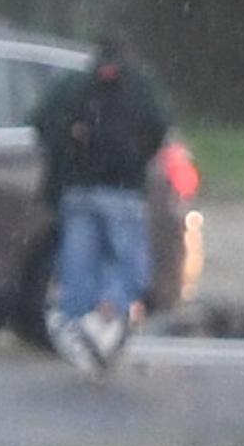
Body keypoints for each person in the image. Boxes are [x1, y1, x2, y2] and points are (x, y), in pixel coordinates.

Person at [27, 35, 171, 373]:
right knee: (128, 264)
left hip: (78, 191)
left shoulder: (75, 86)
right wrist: (136, 160)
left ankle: (79, 325)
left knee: (77, 264)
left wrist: (68, 155)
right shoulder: (140, 87)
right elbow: (160, 126)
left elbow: (41, 121)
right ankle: (110, 310)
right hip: (124, 192)